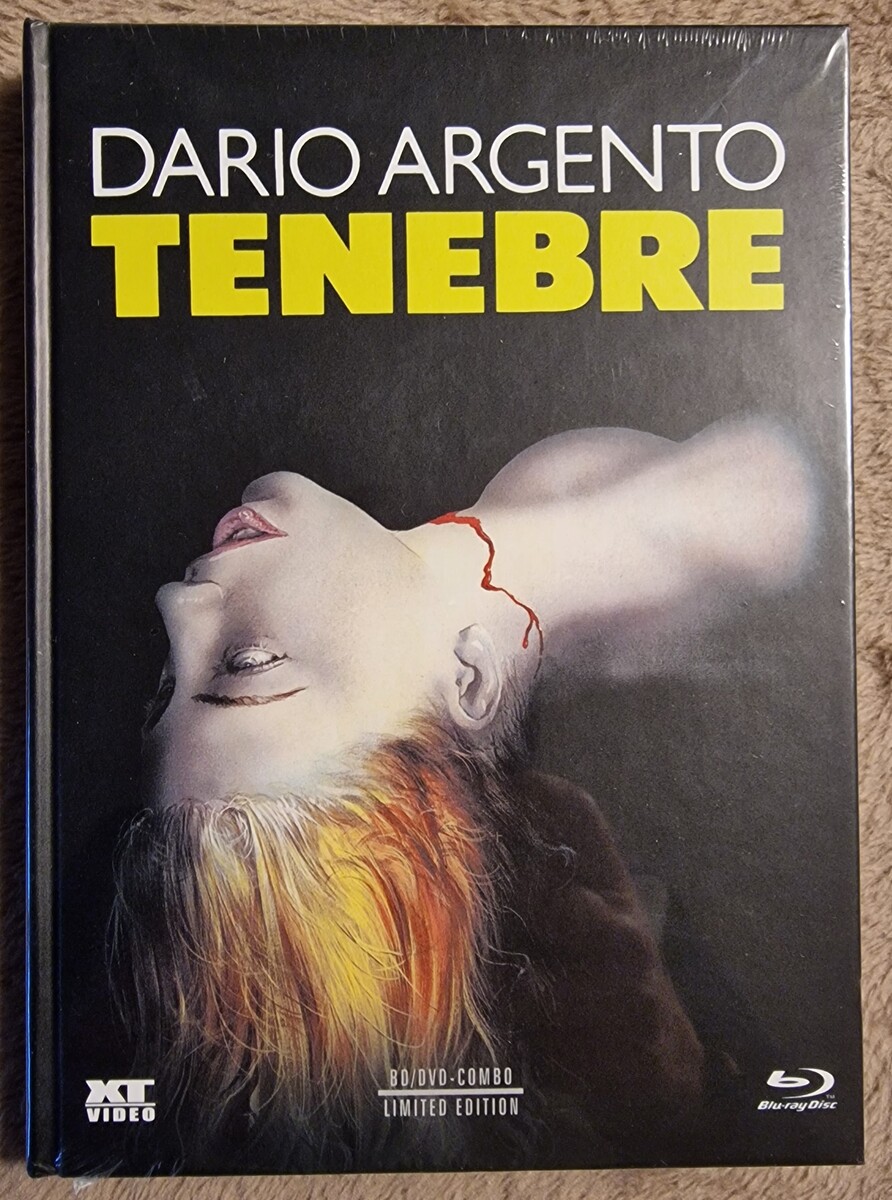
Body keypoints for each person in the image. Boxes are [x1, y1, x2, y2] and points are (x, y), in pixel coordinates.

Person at [112, 418, 815, 1171]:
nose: (174, 604)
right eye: (249, 662)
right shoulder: (741, 543)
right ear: (470, 681)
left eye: (164, 691)